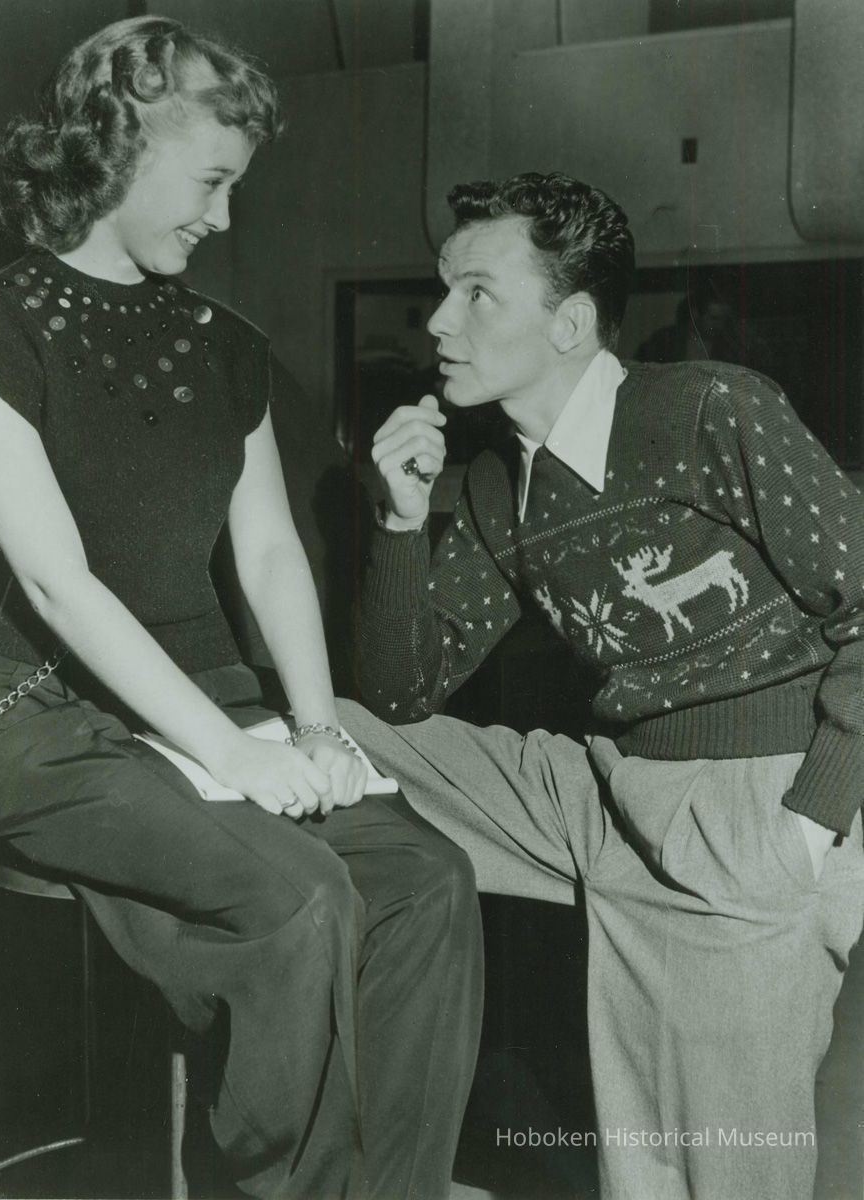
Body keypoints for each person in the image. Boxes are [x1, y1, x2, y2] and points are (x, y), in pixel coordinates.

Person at [0, 17, 483, 1198]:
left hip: (211, 716)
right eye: (212, 181)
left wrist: (315, 726)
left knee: (429, 882)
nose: (224, 219)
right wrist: (229, 748)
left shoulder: (224, 345)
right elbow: (55, 581)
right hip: (45, 726)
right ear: (119, 148)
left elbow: (270, 550)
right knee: (298, 893)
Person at [339, 171, 864, 1200]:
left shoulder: (711, 407)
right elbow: (403, 693)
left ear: (572, 320)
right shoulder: (497, 483)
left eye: (477, 293)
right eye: (444, 291)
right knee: (334, 727)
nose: (441, 320)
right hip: (610, 793)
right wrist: (400, 525)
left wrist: (811, 820)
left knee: (728, 1175)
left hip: (757, 804)